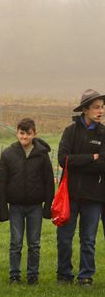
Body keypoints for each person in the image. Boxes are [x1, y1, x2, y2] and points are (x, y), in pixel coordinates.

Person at [0, 118, 54, 284]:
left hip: (35, 206)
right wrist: (2, 209)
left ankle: (33, 275)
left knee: (34, 243)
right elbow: (1, 183)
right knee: (16, 242)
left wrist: (47, 206)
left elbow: (49, 182)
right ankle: (14, 274)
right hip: (15, 206)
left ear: (34, 134)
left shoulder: (42, 155)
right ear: (17, 132)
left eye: (28, 133)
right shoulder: (8, 154)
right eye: (22, 133)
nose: (25, 136)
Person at [56, 89, 105, 285]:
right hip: (69, 195)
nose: (101, 111)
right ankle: (64, 274)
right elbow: (63, 160)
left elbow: (103, 164)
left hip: (94, 196)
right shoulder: (70, 132)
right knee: (64, 238)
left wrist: (77, 161)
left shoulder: (103, 134)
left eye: (102, 107)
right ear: (85, 109)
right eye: (96, 107)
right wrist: (91, 157)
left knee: (88, 240)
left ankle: (85, 276)